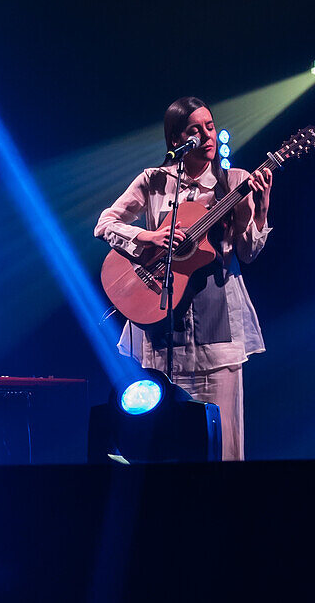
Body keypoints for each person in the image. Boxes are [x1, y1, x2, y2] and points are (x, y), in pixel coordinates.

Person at [94, 96, 273, 461]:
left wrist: (261, 207)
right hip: (162, 331)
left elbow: (249, 252)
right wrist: (149, 237)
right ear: (177, 140)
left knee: (222, 445)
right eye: (196, 130)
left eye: (210, 126)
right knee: (163, 443)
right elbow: (105, 224)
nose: (207, 135)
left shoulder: (235, 182)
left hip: (217, 333)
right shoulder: (154, 181)